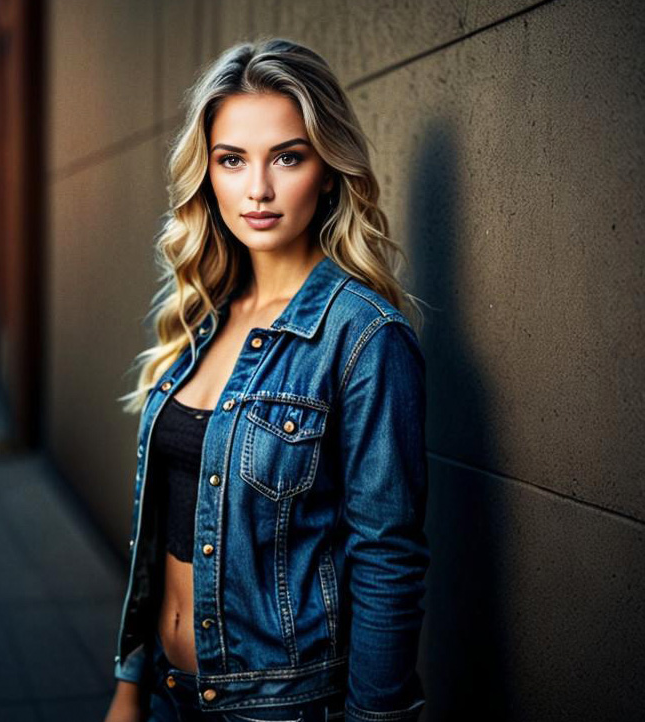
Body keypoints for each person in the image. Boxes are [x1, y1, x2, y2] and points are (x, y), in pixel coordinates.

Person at [104, 37, 429, 722]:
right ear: (207, 173)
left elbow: (387, 561)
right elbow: (160, 525)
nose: (257, 189)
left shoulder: (363, 337)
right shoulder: (200, 317)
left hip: (278, 706)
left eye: (287, 156)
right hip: (166, 693)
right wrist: (130, 684)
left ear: (328, 168)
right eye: (231, 160)